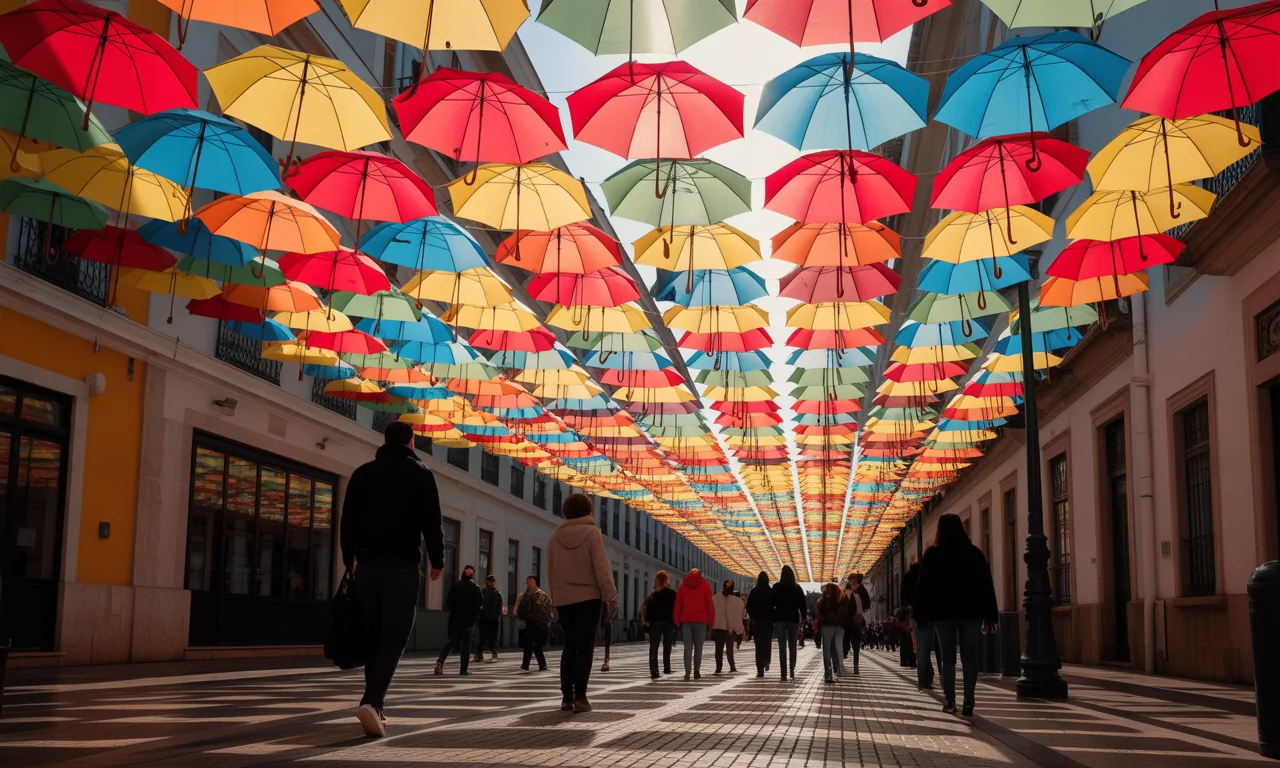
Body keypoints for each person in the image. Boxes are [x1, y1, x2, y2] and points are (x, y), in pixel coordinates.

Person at [340, 420, 443, 739]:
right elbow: (432, 521)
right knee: (394, 638)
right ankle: (372, 702)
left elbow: (348, 519)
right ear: (411, 442)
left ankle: (376, 708)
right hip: (402, 566)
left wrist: (348, 556)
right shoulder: (421, 474)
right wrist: (438, 560)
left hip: (368, 566)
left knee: (373, 636)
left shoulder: (362, 473)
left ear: (385, 441)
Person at [914, 513, 999, 717]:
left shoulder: (932, 555)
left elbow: (923, 586)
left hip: (943, 615)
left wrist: (920, 613)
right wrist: (990, 613)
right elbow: (986, 584)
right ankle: (968, 701)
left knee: (948, 659)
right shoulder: (974, 554)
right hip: (971, 614)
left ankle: (950, 701)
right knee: (970, 658)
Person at [548, 493, 617, 713]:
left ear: (565, 511)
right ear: (588, 511)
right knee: (585, 646)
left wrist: (555, 597)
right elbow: (601, 568)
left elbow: (551, 570)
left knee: (570, 645)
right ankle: (581, 696)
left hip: (564, 599)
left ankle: (566, 697)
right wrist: (611, 596)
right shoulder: (592, 533)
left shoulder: (555, 536)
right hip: (588, 598)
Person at [435, 565, 482, 676]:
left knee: (452, 642)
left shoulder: (455, 586)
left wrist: (454, 612)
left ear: (463, 573)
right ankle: (463, 670)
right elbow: (479, 604)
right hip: (468, 621)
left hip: (455, 619)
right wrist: (474, 616)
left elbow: (449, 601)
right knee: (466, 646)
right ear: (472, 575)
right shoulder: (475, 588)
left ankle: (440, 661)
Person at [673, 568, 715, 680]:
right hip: (701, 621)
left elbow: (678, 604)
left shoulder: (683, 586)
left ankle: (687, 672)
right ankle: (696, 671)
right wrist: (710, 622)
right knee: (698, 647)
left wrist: (676, 620)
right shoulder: (705, 585)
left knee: (687, 647)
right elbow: (709, 605)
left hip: (686, 620)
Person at [902, 556, 935, 690]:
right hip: (930, 614)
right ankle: (928, 678)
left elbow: (903, 596)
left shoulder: (907, 577)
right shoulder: (927, 575)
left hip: (915, 615)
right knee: (929, 648)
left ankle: (923, 679)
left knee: (921, 647)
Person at [771, 565, 806, 681]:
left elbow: (771, 603)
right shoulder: (796, 587)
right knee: (792, 646)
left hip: (780, 619)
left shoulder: (776, 587)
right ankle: (792, 668)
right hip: (793, 620)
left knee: (782, 647)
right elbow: (803, 604)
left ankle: (783, 673)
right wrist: (803, 617)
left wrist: (773, 617)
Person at [514, 575, 555, 671]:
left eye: (531, 581)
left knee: (537, 646)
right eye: (528, 581)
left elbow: (549, 608)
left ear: (535, 582)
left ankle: (542, 664)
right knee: (528, 644)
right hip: (530, 622)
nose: (529, 583)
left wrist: (549, 619)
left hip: (541, 623)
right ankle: (525, 665)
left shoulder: (541, 595)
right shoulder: (523, 595)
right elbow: (517, 608)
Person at [643, 571, 677, 680]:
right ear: (667, 580)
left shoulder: (653, 595)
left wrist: (647, 624)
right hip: (668, 622)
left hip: (655, 623)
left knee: (654, 646)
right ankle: (667, 668)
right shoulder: (673, 594)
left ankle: (654, 671)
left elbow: (647, 609)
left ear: (656, 580)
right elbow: (676, 608)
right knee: (667, 646)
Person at [711, 578, 743, 674]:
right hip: (730, 627)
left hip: (719, 626)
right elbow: (738, 616)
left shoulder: (715, 598)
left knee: (719, 649)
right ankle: (732, 666)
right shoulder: (737, 601)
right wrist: (739, 630)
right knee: (729, 649)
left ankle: (718, 667)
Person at [815, 582, 846, 684]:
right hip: (838, 626)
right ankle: (836, 671)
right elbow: (844, 613)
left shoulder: (822, 601)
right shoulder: (840, 600)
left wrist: (822, 621)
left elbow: (820, 614)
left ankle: (828, 674)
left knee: (827, 651)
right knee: (835, 650)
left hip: (827, 626)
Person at [746, 571, 774, 678]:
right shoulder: (771, 591)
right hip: (768, 621)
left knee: (758, 646)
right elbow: (774, 605)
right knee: (767, 643)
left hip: (757, 621)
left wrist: (753, 615)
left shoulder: (754, 591)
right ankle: (766, 661)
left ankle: (759, 669)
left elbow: (748, 606)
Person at [475, 574, 505, 663]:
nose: (491, 583)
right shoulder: (495, 593)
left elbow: (499, 606)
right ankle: (489, 652)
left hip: (486, 617)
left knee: (484, 636)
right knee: (490, 636)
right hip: (490, 618)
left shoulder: (484, 592)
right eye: (491, 581)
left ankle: (480, 653)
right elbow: (499, 607)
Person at [842, 573, 867, 675]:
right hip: (851, 623)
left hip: (852, 622)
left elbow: (867, 602)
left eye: (854, 580)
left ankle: (854, 666)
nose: (853, 582)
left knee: (853, 645)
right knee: (849, 645)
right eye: (851, 580)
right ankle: (847, 664)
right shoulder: (847, 592)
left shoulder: (858, 590)